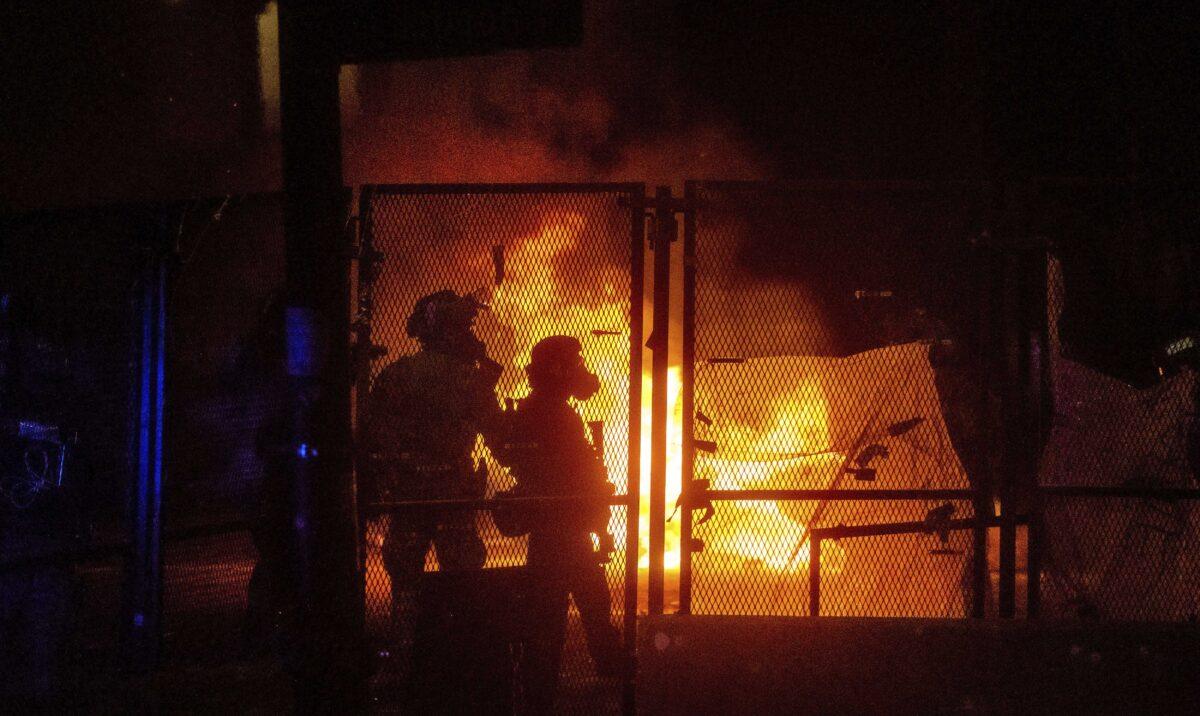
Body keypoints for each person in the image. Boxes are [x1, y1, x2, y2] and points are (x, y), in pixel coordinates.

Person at [502, 335, 623, 713]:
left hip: (555, 528)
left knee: (566, 607)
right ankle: (608, 671)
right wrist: (598, 510)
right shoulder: (553, 413)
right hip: (563, 528)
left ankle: (544, 688)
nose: (581, 373)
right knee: (576, 605)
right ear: (557, 371)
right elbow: (577, 473)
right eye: (574, 366)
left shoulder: (540, 409)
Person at [361, 290, 505, 605]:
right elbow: (499, 437)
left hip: (408, 493)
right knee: (462, 583)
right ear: (449, 331)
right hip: (454, 493)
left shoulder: (398, 374)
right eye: (463, 328)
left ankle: (406, 644)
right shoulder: (469, 379)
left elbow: (372, 430)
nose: (471, 335)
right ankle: (457, 643)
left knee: (405, 585)